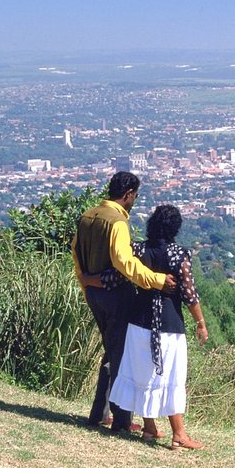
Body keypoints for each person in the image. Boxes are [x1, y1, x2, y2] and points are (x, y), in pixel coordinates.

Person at [86, 204, 208, 450]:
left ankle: (149, 428)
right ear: (175, 227)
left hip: (138, 322)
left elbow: (116, 276)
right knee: (172, 376)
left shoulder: (138, 249)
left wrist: (87, 279)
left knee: (143, 375)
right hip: (169, 324)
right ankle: (179, 435)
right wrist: (201, 323)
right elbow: (189, 293)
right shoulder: (178, 254)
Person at [72, 171, 177, 432]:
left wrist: (84, 282)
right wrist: (156, 279)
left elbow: (75, 251)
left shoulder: (88, 216)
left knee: (112, 350)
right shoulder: (117, 221)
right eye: (135, 196)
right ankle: (120, 420)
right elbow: (123, 261)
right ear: (128, 194)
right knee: (121, 356)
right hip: (115, 296)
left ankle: (99, 413)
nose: (135, 200)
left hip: (94, 293)